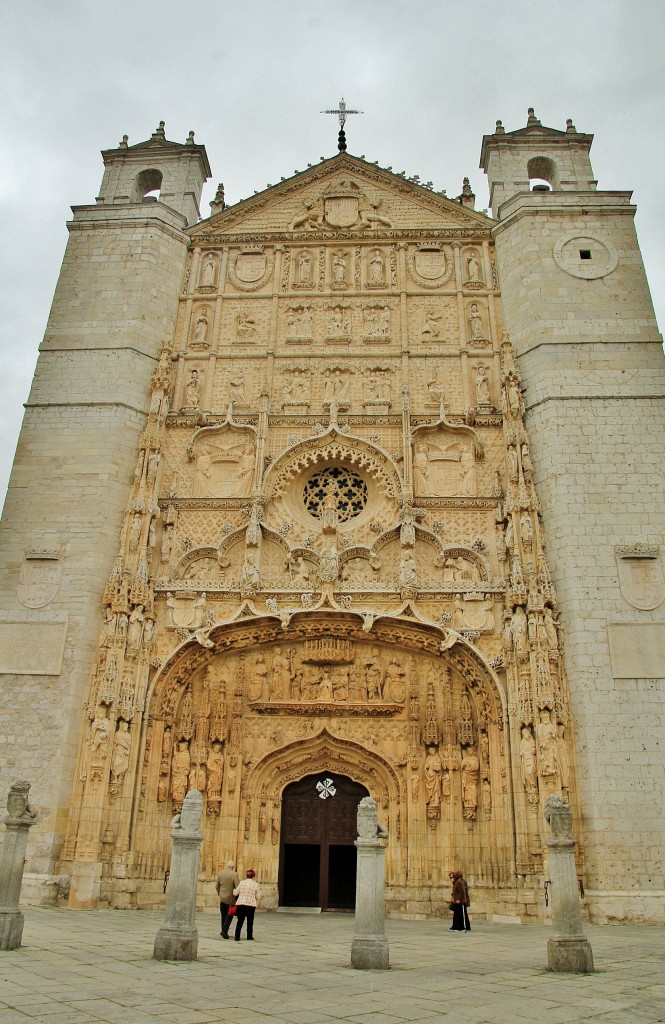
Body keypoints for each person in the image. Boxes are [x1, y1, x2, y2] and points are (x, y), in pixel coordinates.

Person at [233, 868, 260, 941]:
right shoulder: (256, 884)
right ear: (253, 876)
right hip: (251, 904)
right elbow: (258, 896)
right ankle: (249, 936)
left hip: (241, 903)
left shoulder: (242, 883)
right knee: (250, 921)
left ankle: (237, 936)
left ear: (246, 875)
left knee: (240, 920)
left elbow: (235, 893)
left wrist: (234, 891)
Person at [216, 860, 240, 939]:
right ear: (233, 867)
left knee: (223, 914)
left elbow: (217, 885)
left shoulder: (221, 873)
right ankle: (224, 931)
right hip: (230, 898)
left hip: (222, 897)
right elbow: (237, 886)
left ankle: (223, 929)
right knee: (229, 915)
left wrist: (219, 893)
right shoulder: (234, 874)